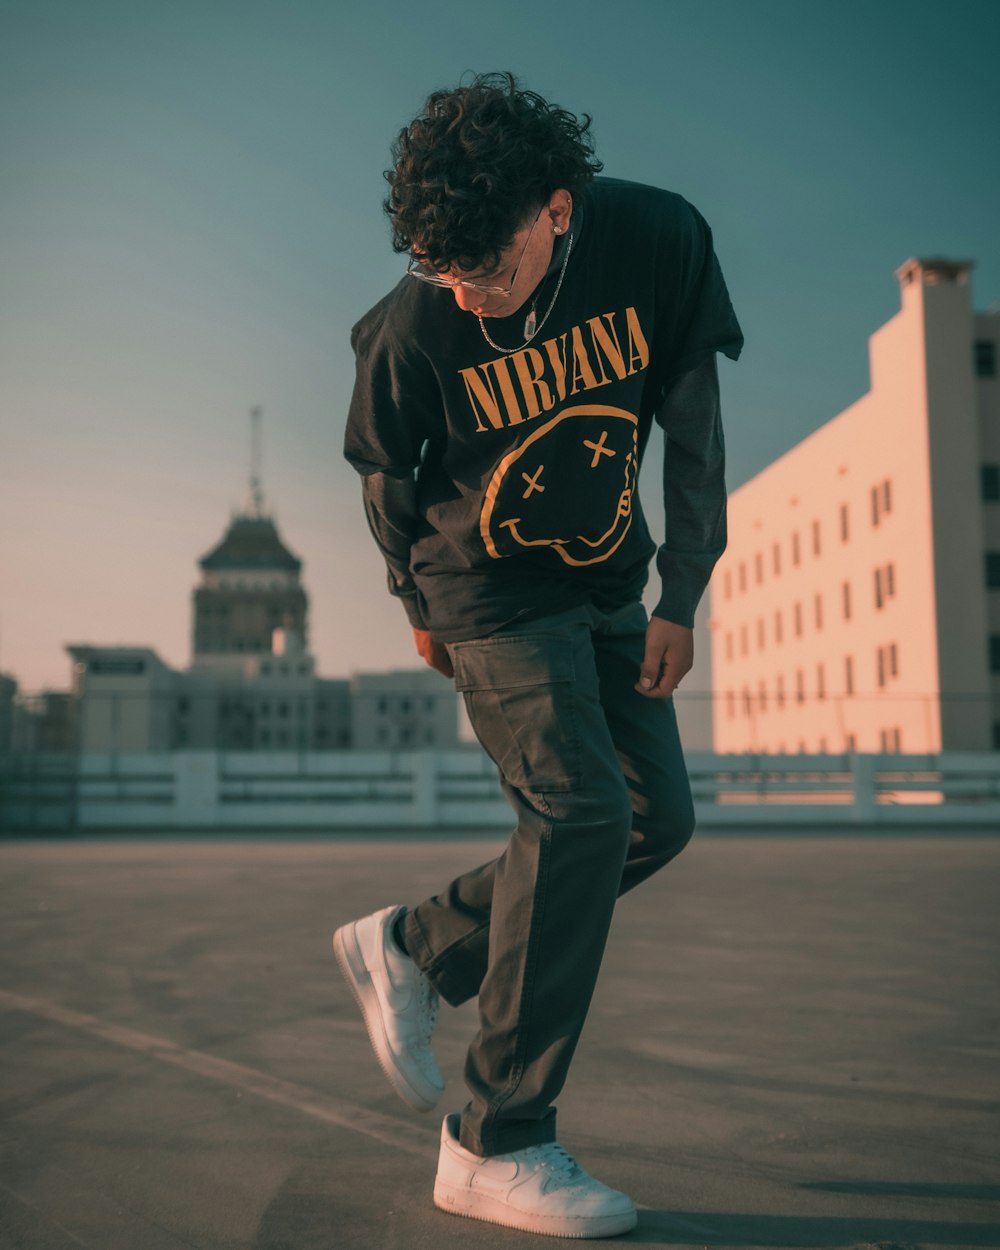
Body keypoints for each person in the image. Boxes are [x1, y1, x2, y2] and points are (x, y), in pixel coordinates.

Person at [334, 71, 743, 1239]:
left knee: (651, 816)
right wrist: (414, 596)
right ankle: (493, 1138)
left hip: (614, 581)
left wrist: (684, 591)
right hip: (488, 589)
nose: (465, 296)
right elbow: (383, 472)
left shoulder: (657, 240)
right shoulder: (417, 319)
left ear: (554, 211)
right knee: (576, 815)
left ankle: (413, 942)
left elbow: (692, 420)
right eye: (438, 269)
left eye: (488, 270)